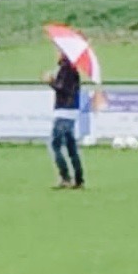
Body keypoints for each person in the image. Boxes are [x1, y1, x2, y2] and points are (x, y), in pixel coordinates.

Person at [43, 53, 84, 189]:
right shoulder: (72, 69)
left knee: (55, 145)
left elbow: (63, 89)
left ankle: (65, 177)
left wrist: (51, 82)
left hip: (64, 111)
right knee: (71, 147)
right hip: (71, 111)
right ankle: (79, 179)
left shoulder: (66, 69)